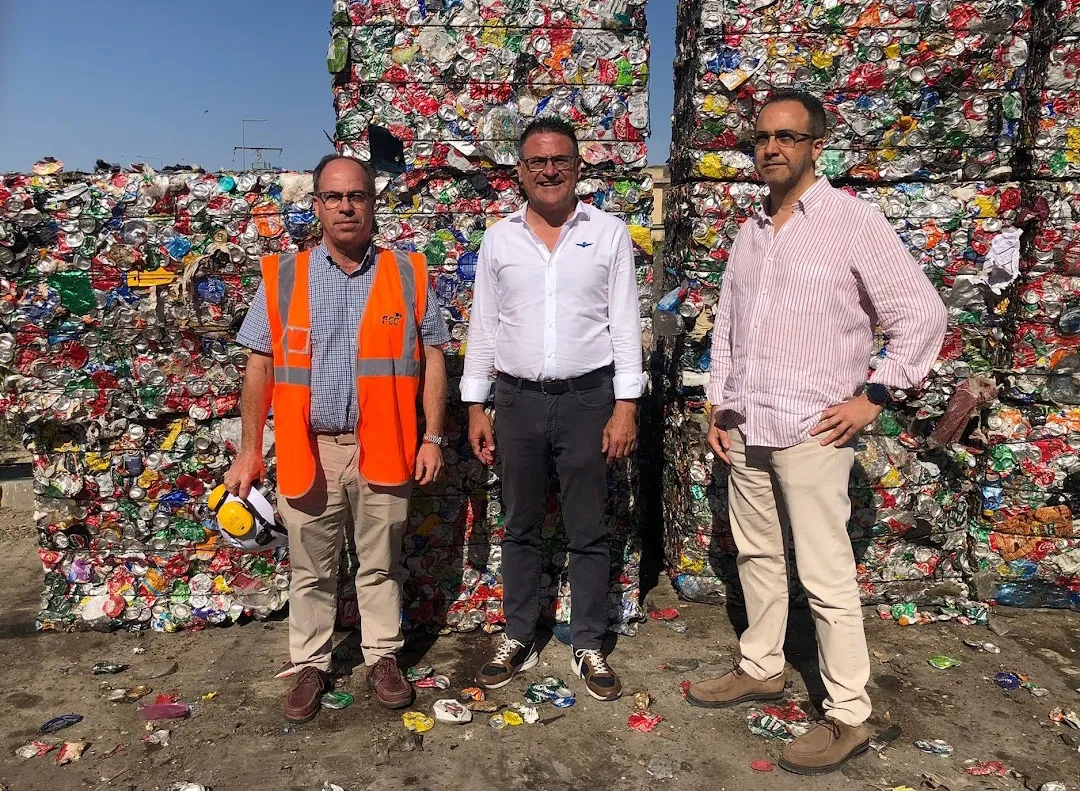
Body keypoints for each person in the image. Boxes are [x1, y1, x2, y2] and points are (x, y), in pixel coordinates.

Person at [685, 91, 947, 774]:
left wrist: (876, 396)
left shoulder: (852, 223)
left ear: (815, 146)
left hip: (813, 428)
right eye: (762, 138)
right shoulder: (750, 231)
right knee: (758, 556)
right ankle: (762, 665)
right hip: (749, 424)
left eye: (787, 137)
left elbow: (922, 313)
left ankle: (850, 712)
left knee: (826, 575)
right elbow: (732, 329)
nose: (771, 148)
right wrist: (718, 403)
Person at [225, 154, 450, 722]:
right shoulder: (284, 277)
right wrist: (251, 450)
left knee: (380, 564)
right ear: (318, 207)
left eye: (357, 196)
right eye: (333, 197)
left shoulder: (409, 272)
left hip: (388, 444)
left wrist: (433, 438)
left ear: (373, 204)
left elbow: (433, 357)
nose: (346, 206)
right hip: (311, 448)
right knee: (311, 568)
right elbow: (260, 365)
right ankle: (310, 664)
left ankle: (381, 658)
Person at [460, 117, 646, 701]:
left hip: (589, 399)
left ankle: (588, 642)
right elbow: (484, 326)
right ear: (519, 171)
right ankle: (517, 633)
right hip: (516, 400)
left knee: (587, 528)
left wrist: (626, 406)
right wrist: (475, 405)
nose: (548, 170)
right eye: (536, 161)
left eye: (559, 160)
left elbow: (624, 325)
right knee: (518, 525)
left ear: (577, 167)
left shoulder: (609, 234)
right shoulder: (499, 239)